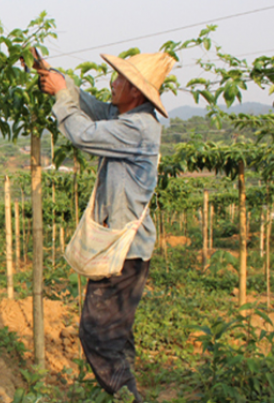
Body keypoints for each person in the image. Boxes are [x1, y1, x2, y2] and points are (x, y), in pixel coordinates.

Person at [32, 51, 176, 402]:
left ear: (136, 93)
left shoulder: (137, 127)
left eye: (120, 80)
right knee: (116, 336)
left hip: (122, 253)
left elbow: (83, 133)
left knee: (97, 336)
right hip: (125, 248)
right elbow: (94, 108)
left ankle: (128, 398)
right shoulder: (125, 115)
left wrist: (60, 96)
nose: (112, 84)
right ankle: (128, 393)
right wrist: (59, 80)